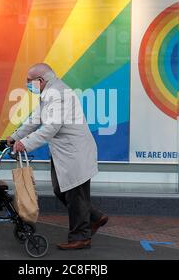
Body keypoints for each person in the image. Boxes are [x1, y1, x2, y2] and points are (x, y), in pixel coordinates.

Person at [7, 63, 108, 250]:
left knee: (75, 195)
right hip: (64, 153)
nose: (27, 85)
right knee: (61, 190)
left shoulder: (59, 94)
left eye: (29, 82)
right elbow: (35, 119)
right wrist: (15, 136)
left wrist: (25, 144)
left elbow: (51, 128)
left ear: (41, 80)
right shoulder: (48, 94)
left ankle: (80, 237)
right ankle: (94, 216)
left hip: (74, 153)